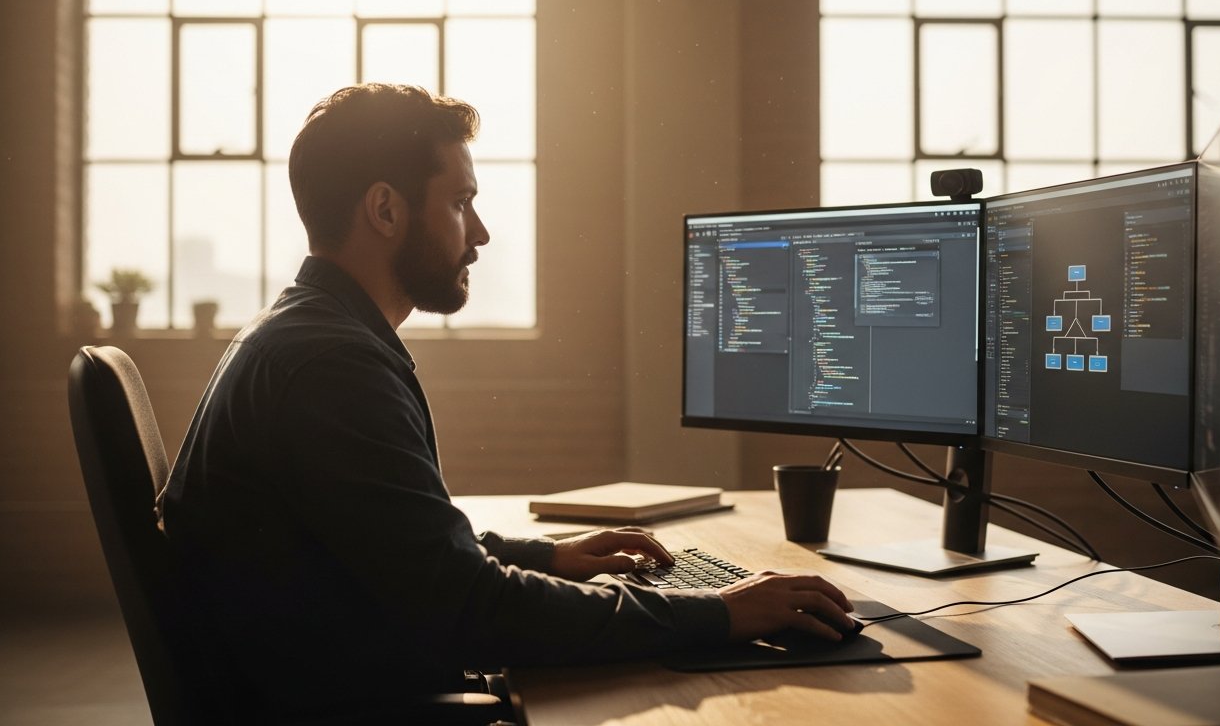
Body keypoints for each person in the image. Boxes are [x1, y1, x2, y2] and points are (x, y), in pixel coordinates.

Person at [158, 83, 853, 720]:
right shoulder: (333, 367)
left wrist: (551, 557)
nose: (480, 232)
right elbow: (473, 610)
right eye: (460, 203)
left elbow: (395, 546)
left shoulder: (303, 333)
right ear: (385, 209)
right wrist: (717, 612)